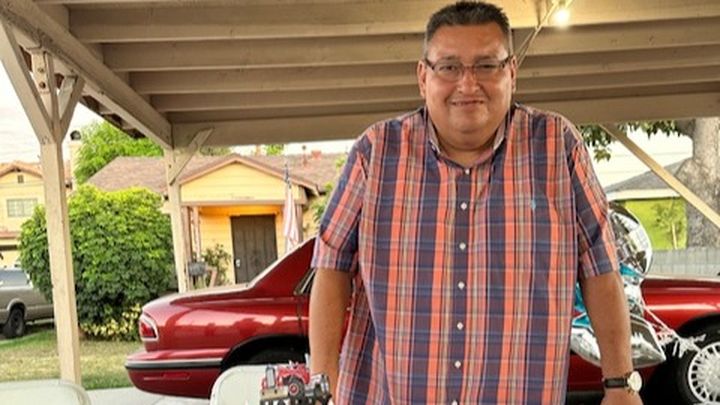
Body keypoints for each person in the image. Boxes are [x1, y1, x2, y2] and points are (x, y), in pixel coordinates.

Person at [309, 2, 641, 404]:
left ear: (512, 72)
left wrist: (620, 384)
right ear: (423, 77)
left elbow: (601, 268)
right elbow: (331, 265)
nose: (468, 85)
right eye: (449, 67)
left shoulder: (557, 146)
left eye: (486, 66)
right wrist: (321, 386)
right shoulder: (376, 152)